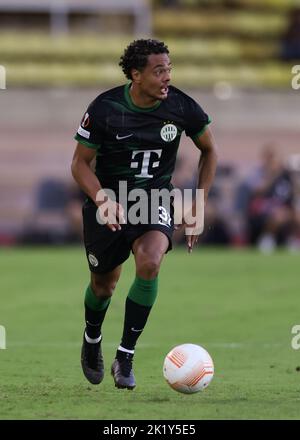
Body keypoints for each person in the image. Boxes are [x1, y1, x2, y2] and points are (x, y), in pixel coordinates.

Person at [71, 39, 218, 390]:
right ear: (136, 75)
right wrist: (102, 199)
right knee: (103, 285)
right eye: (158, 71)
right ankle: (92, 338)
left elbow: (209, 150)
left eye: (169, 69)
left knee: (150, 261)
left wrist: (199, 201)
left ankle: (125, 355)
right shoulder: (105, 108)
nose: (167, 77)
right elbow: (79, 163)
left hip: (154, 199)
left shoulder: (181, 106)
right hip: (109, 202)